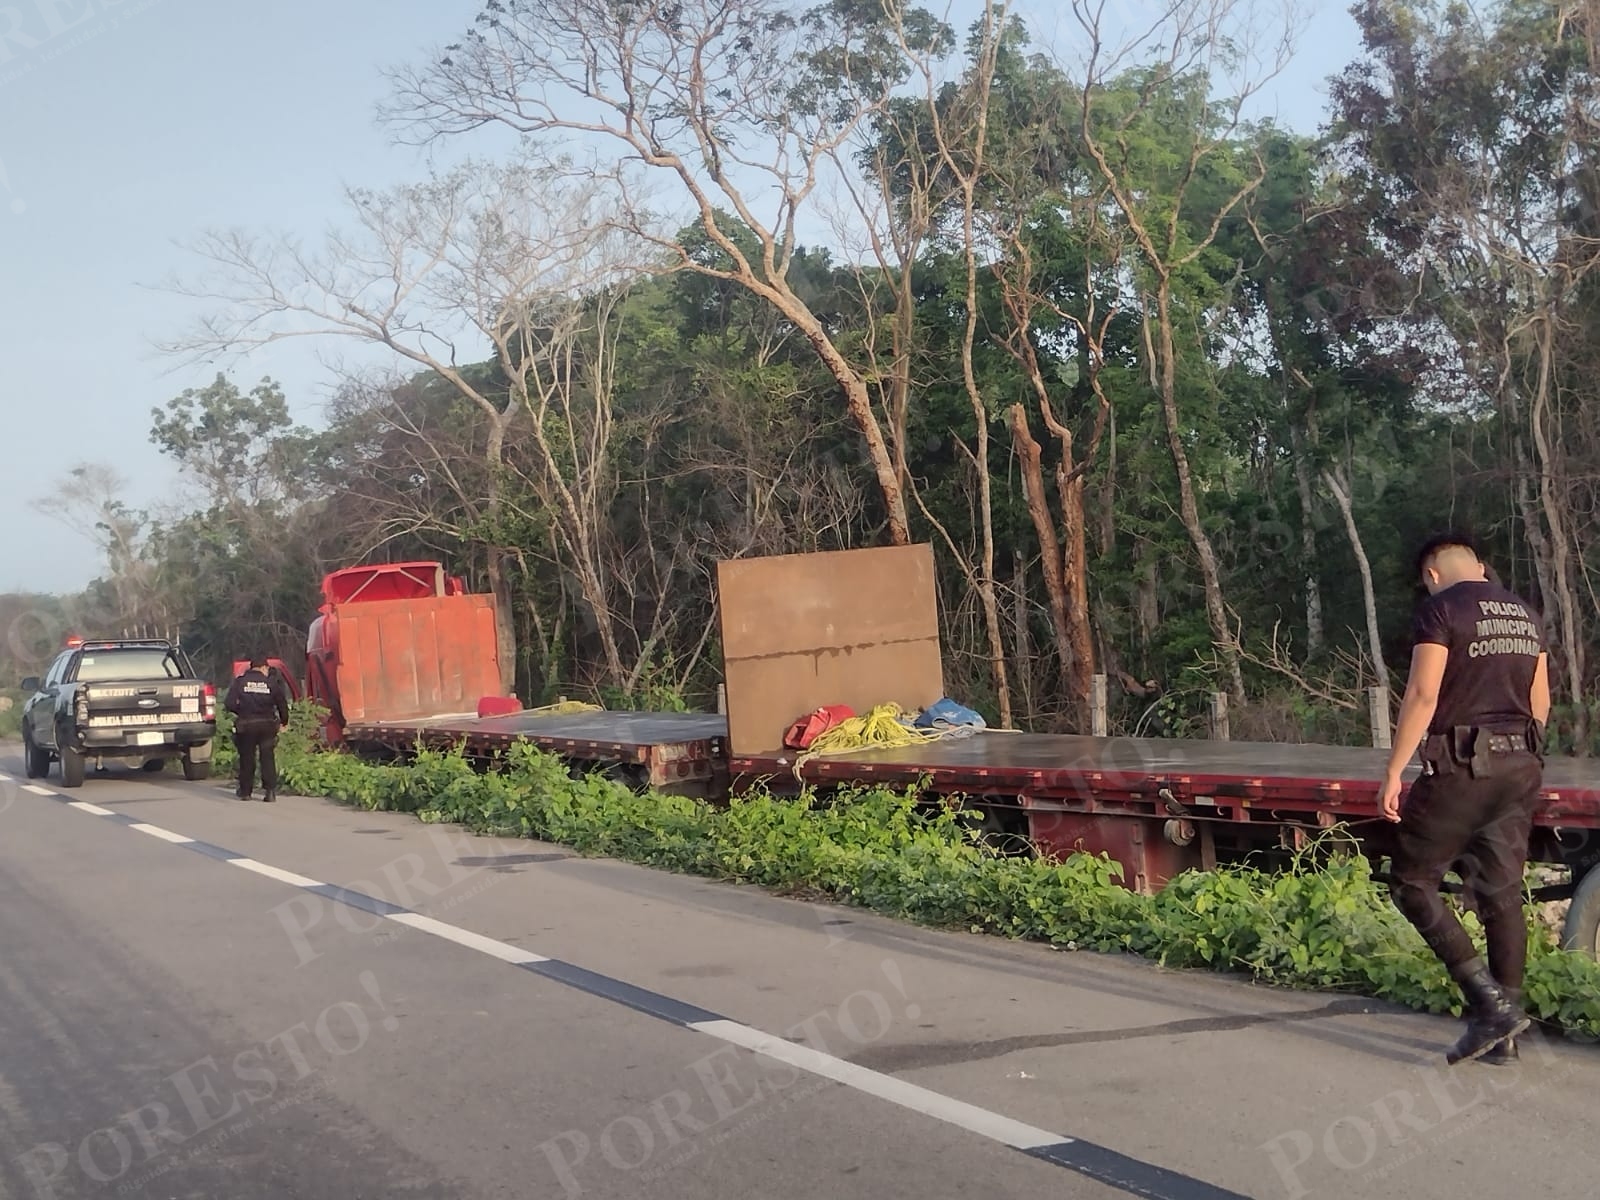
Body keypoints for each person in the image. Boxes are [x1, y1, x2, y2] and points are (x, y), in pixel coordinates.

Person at [1379, 533, 1550, 1065]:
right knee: (1501, 892)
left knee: (1412, 880)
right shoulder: (1524, 613)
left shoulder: (1440, 610)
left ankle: (1489, 1004)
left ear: (1432, 575)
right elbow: (1539, 701)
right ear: (1480, 566)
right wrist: (1521, 759)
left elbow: (1424, 694)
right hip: (1521, 764)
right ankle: (1507, 1035)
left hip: (1462, 766)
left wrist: (1393, 771)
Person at [225, 655, 291, 803]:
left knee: (247, 758)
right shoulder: (271, 683)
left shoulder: (240, 682)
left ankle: (245, 792)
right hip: (267, 725)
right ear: (263, 667)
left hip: (246, 725)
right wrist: (284, 721)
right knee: (267, 757)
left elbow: (229, 703)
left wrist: (241, 711)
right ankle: (270, 792)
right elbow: (282, 704)